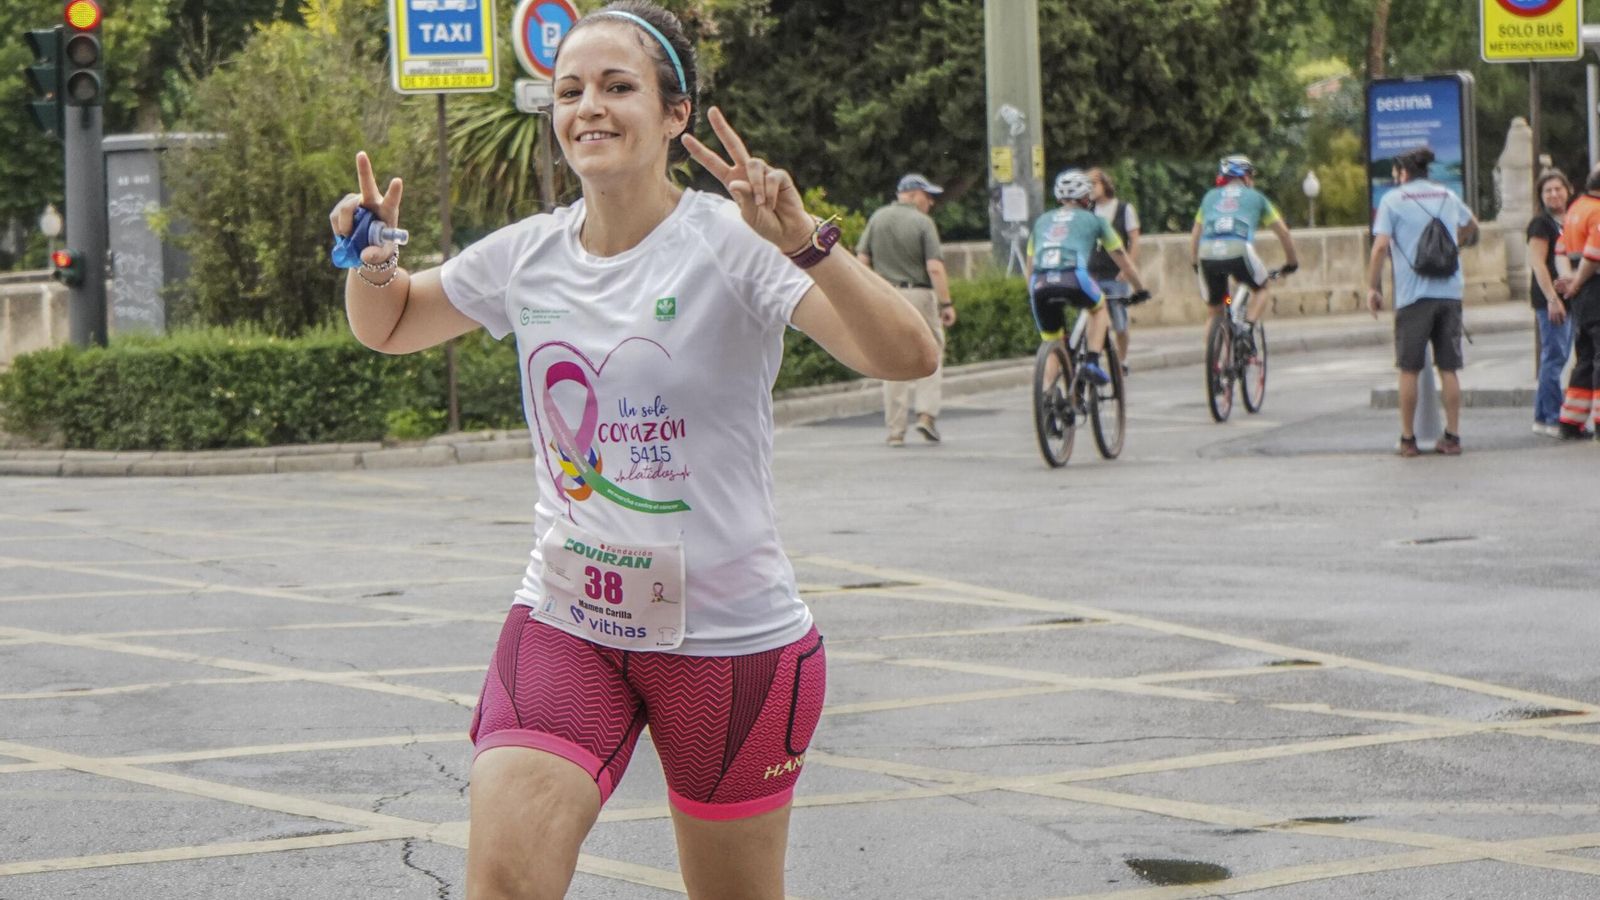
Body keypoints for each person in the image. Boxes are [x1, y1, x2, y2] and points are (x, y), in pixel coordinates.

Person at [327, 4, 939, 898]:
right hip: (568, 618)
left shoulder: (735, 243)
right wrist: (373, 258)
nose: (590, 108)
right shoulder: (526, 255)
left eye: (618, 87)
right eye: (570, 91)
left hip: (731, 643)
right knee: (504, 883)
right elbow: (390, 325)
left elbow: (910, 356)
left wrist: (805, 245)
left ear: (674, 113)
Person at [1365, 146, 1479, 457]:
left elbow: (1380, 247)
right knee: (1449, 368)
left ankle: (1408, 439)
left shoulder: (1392, 200)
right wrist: (1455, 243)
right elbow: (1472, 224)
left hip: (1413, 295)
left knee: (1409, 369)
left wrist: (1373, 287)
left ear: (1403, 173)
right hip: (1450, 292)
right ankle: (1453, 436)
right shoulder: (1446, 195)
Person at [1027, 169, 1151, 385]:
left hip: (1040, 282)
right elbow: (1123, 260)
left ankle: (1047, 393)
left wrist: (1032, 291)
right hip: (1073, 277)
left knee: (1053, 341)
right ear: (1086, 197)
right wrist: (1140, 289)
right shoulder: (1096, 221)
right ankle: (1092, 362)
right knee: (1098, 307)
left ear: (1059, 197)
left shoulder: (1041, 222)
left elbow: (1030, 266)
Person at [857, 173, 955, 446]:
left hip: (886, 295)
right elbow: (935, 268)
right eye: (928, 196)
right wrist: (946, 303)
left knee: (892, 359)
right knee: (931, 351)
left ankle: (895, 430)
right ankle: (926, 415)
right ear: (913, 195)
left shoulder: (877, 218)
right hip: (919, 294)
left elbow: (861, 260)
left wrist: (869, 293)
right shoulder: (923, 222)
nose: (931, 202)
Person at [1189, 155, 1299, 352]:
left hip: (1207, 254)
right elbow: (1284, 233)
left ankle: (1214, 364)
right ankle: (1247, 329)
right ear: (1245, 177)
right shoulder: (1256, 197)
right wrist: (1291, 263)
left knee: (1216, 310)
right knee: (1261, 287)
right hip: (1238, 251)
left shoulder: (1209, 197)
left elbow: (1195, 234)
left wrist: (1195, 263)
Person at [1526, 169, 1573, 437]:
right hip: (1551, 300)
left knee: (1558, 356)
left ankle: (1542, 416)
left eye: (1558, 189)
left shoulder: (1569, 220)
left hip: (1569, 297)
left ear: (1568, 190)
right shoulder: (1541, 224)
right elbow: (1538, 263)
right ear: (1541, 196)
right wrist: (1552, 299)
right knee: (1554, 357)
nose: (1554, 194)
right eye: (1548, 191)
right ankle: (1552, 417)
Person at [1554, 165, 1600, 439]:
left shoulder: (1576, 208)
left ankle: (1571, 421)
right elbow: (1594, 254)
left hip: (1581, 294)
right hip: (1594, 286)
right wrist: (1578, 281)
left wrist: (1568, 279)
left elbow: (1561, 248)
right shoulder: (1597, 211)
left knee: (1585, 356)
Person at [1086, 167, 1141, 374]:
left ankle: (1122, 360)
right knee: (1093, 319)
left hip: (1116, 274)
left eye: (1094, 184)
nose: (1090, 189)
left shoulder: (1124, 209)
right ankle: (1094, 358)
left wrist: (1128, 268)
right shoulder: (1088, 211)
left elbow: (1134, 240)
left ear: (1105, 184)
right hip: (1093, 273)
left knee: (1120, 323)